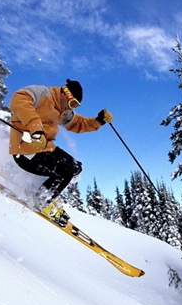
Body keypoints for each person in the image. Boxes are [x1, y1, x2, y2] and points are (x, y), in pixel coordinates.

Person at [6, 79, 113, 226]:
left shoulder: (63, 111)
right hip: (25, 148)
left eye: (75, 106)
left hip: (44, 148)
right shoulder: (42, 94)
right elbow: (19, 99)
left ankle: (38, 191)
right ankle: (40, 199)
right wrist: (36, 130)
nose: (71, 108)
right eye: (72, 103)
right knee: (66, 170)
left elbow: (78, 123)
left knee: (75, 167)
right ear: (65, 94)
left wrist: (99, 121)